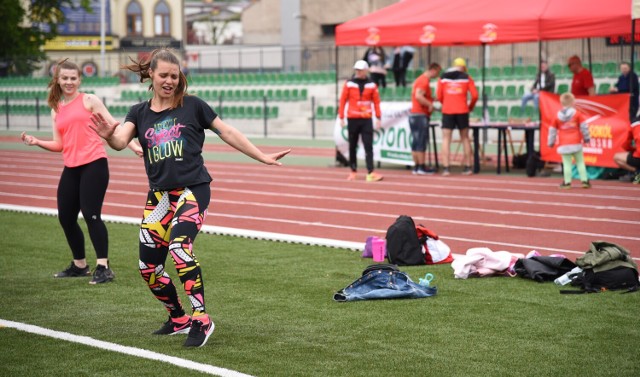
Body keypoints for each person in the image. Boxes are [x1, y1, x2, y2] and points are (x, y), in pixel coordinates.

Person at [89, 48, 290, 347]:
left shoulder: (193, 106)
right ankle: (178, 318)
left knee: (180, 248)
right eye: (163, 75)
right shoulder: (138, 112)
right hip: (159, 198)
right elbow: (120, 141)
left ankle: (201, 319)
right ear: (152, 76)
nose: (169, 81)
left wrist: (261, 156)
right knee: (149, 270)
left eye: (174, 75)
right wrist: (108, 135)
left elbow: (227, 131)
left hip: (192, 190)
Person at [21, 59, 142, 284]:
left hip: (94, 164)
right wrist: (36, 141)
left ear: (79, 80)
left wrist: (133, 146)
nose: (69, 82)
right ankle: (79, 265)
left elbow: (112, 124)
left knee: (91, 214)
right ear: (57, 80)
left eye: (73, 78)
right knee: (66, 217)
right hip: (71, 166)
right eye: (64, 78)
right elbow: (60, 145)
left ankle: (103, 267)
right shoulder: (56, 109)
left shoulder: (89, 100)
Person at [338, 60, 383, 182]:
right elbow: (342, 100)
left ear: (366, 70)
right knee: (352, 146)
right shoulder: (349, 84)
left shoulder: (372, 85)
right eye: (357, 69)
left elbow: (376, 102)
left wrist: (378, 117)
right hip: (352, 119)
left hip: (366, 119)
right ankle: (353, 171)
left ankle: (370, 172)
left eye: (360, 69)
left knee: (368, 145)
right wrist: (341, 117)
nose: (358, 72)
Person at [436, 57, 478, 176]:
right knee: (465, 138)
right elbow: (475, 95)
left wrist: (446, 103)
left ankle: (446, 168)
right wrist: (470, 106)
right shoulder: (467, 78)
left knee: (446, 139)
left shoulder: (443, 77)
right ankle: (468, 167)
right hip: (462, 110)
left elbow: (438, 95)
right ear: (464, 67)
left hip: (448, 110)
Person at [548, 93, 591, 189]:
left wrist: (551, 142)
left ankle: (567, 183)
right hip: (576, 142)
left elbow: (552, 130)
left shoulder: (557, 116)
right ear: (573, 102)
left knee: (567, 164)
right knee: (580, 162)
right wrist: (587, 138)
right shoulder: (577, 114)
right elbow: (584, 126)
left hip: (564, 144)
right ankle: (585, 181)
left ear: (561, 102)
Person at [409, 62, 442, 175]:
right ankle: (421, 166)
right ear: (433, 70)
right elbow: (419, 96)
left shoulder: (420, 80)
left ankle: (417, 166)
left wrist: (431, 100)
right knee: (421, 141)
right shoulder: (423, 81)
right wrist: (430, 104)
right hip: (420, 114)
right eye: (437, 72)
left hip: (415, 114)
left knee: (416, 141)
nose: (437, 75)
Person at [613, 117, 640, 184]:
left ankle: (637, 172)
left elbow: (626, 144)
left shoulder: (634, 123)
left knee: (616, 157)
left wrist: (634, 150)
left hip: (638, 157)